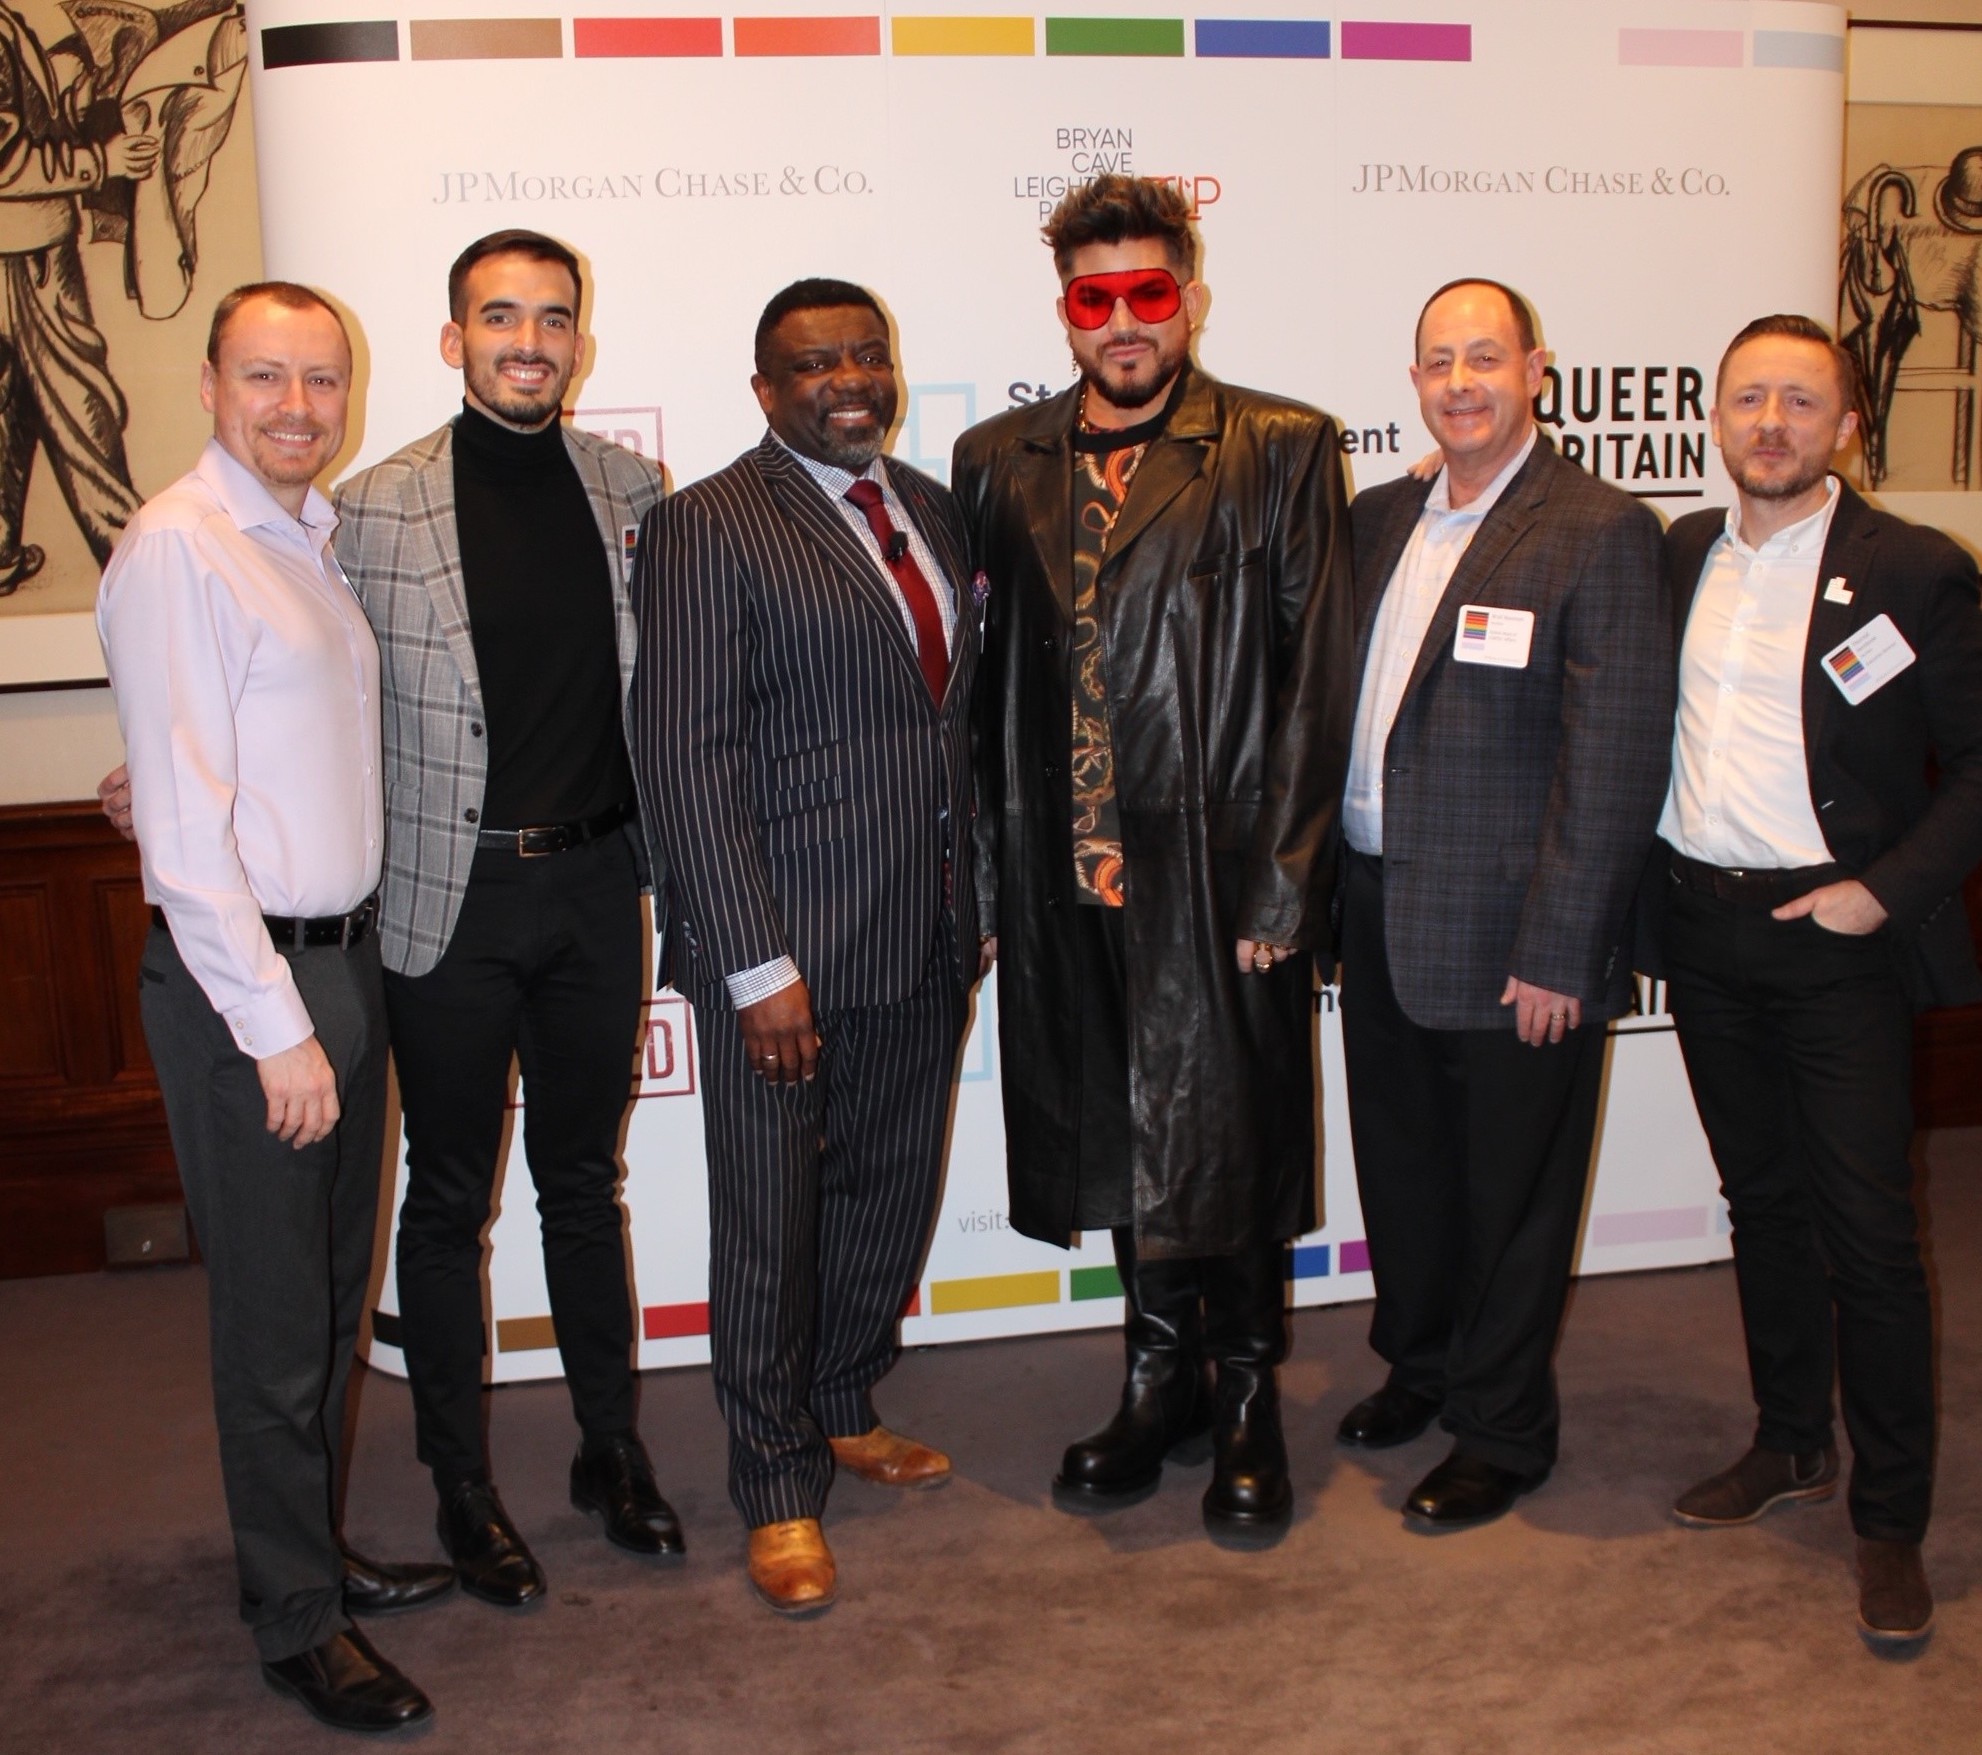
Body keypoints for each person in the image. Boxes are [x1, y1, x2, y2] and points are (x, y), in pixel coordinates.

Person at [952, 174, 1354, 1545]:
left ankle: (1245, 1396)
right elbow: (983, 681)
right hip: (1066, 877)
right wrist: (993, 877)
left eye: (1148, 292)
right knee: (1125, 1136)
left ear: (1188, 293)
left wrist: (1287, 881)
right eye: (1094, 297)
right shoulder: (996, 457)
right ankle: (1155, 1381)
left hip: (1215, 870)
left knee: (1224, 1144)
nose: (1123, 321)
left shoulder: (1278, 444)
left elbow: (1316, 682)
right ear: (1063, 310)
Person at [96, 283, 445, 1733]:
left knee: (320, 1298)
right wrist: (276, 1025)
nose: (297, 405)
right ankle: (295, 1616)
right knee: (273, 1323)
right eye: (266, 377)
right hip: (263, 985)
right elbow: (186, 830)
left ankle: (312, 1550)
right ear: (209, 382)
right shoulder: (183, 546)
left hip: (338, 961)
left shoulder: (295, 538)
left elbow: (230, 764)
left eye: (321, 379)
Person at [333, 231, 675, 1600]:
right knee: (449, 1199)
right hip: (448, 897)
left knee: (584, 1186)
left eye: (551, 317)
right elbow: (301, 679)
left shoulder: (635, 490)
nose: (527, 338)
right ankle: (460, 1488)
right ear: (452, 337)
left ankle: (609, 1449)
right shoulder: (370, 507)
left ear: (580, 342)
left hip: (598, 888)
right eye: (498, 316)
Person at [631, 278, 981, 1614]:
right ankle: (775, 1482)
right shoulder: (705, 524)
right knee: (772, 1223)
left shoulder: (929, 508)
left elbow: (941, 726)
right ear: (764, 387)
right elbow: (685, 756)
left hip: (928, 927)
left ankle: (841, 1398)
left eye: (865, 355)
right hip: (785, 952)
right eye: (812, 363)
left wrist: (978, 896)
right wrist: (753, 964)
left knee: (889, 1185)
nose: (847, 379)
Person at [1650, 314, 1982, 1648]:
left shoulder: (1912, 570)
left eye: (1799, 400)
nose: (1770, 422)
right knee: (1759, 1202)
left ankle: (1889, 1518)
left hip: (1837, 941)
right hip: (1704, 931)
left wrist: (1883, 889)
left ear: (1845, 424)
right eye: (1747, 399)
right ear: (1715, 420)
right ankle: (1790, 1440)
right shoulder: (1676, 553)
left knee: (1866, 1228)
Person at [1333, 278, 1672, 1528]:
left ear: (1537, 369)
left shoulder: (1596, 527)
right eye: (1437, 361)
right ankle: (1419, 1371)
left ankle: (1504, 1429)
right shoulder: (1375, 520)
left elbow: (1616, 752)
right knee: (1406, 1172)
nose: (1459, 381)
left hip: (1515, 936)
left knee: (1512, 1197)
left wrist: (1561, 949)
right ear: (1413, 379)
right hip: (1376, 910)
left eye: (1485, 357)